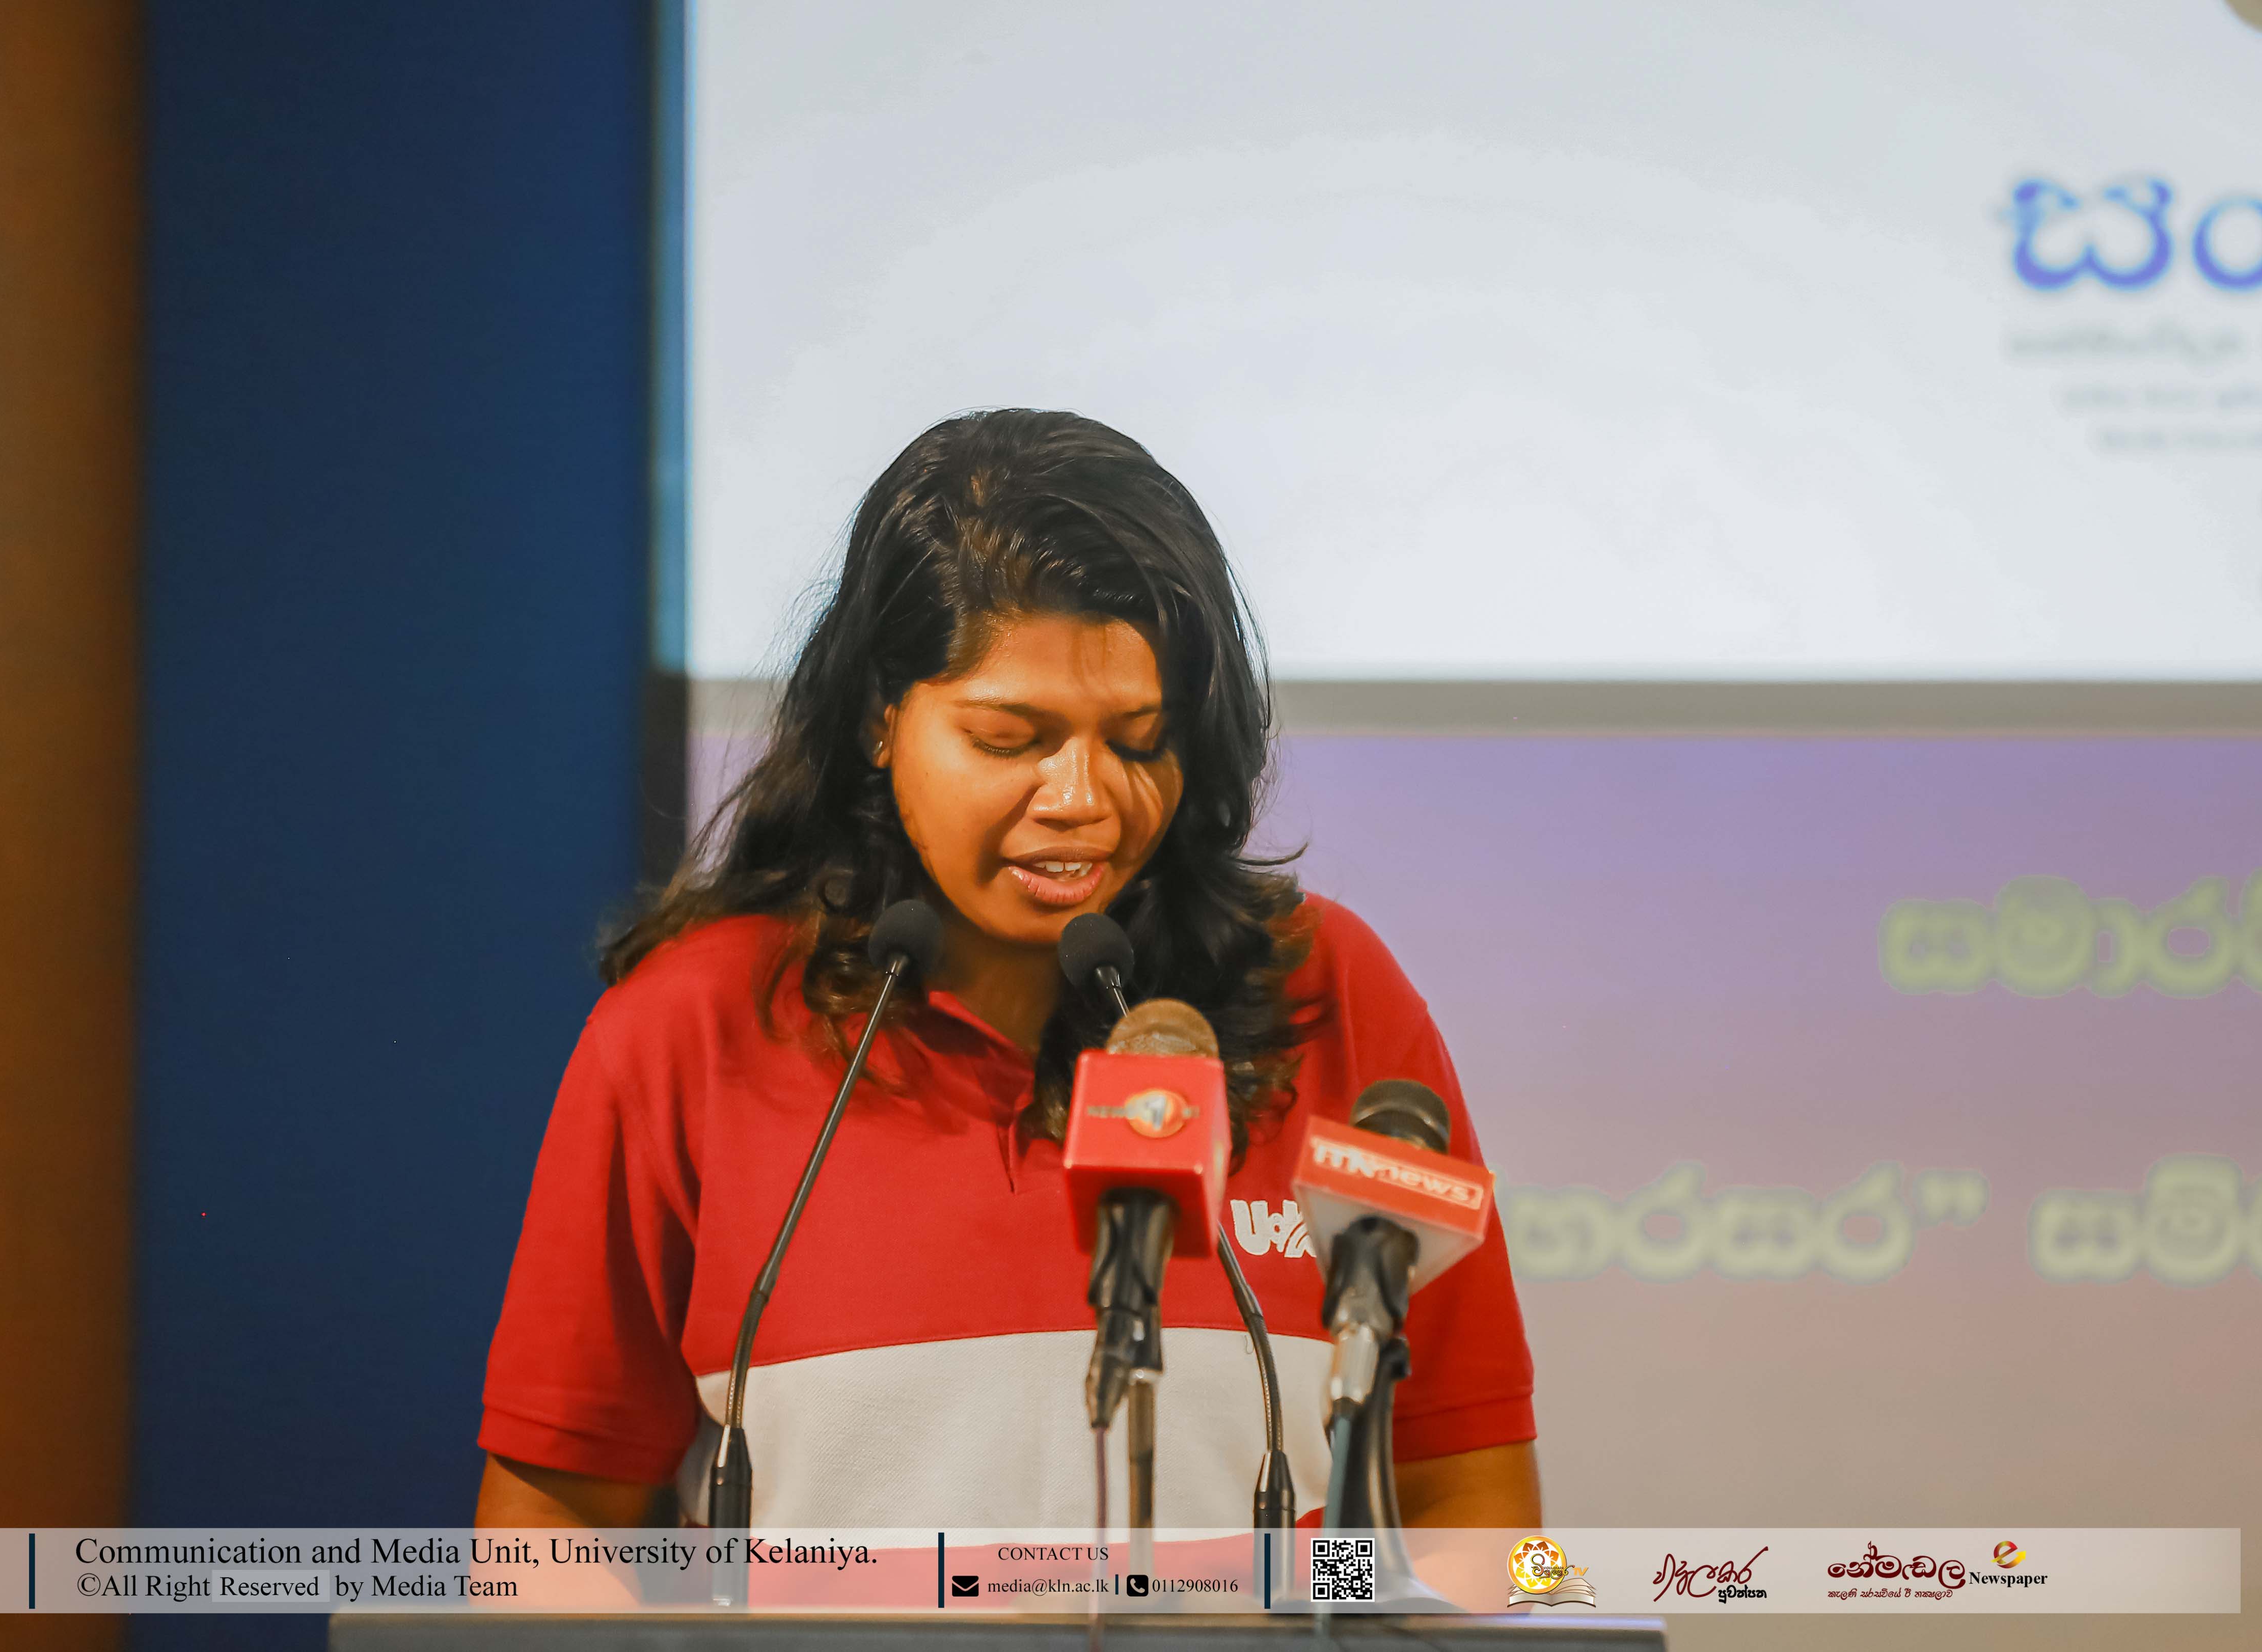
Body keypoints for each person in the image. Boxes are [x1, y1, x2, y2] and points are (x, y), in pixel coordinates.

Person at [474, 409, 1538, 1530]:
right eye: (1009, 739)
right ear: (881, 718)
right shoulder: (692, 1029)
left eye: (1137, 740)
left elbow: (1462, 1498)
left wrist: (1307, 1603)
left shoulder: (1332, 994)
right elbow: (555, 1529)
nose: (1082, 799)